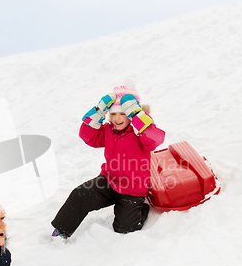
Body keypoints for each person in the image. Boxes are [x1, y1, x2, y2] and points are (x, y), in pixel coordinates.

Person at [51, 85, 166, 240]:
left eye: (123, 114)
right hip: (109, 182)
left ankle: (141, 208)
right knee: (81, 194)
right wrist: (98, 110)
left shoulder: (140, 132)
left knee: (124, 228)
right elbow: (87, 135)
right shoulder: (108, 130)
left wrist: (138, 115)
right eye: (113, 114)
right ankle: (61, 231)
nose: (117, 119)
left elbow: (155, 139)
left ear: (132, 115)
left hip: (133, 189)